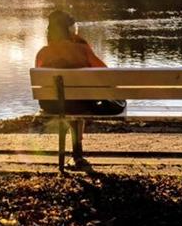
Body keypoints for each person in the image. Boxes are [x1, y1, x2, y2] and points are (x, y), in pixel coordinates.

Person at [35, 10, 125, 164]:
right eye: (73, 28)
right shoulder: (81, 49)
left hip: (51, 104)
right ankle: (77, 154)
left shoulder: (42, 53)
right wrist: (81, 43)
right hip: (80, 103)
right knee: (77, 104)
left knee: (70, 103)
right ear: (70, 30)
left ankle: (75, 154)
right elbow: (106, 74)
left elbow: (42, 81)